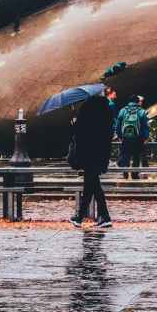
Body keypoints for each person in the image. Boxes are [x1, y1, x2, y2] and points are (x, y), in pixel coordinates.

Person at [70, 92, 115, 228]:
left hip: (88, 153)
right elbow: (109, 133)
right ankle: (81, 216)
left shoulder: (86, 108)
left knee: (92, 185)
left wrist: (74, 124)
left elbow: (81, 133)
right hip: (101, 153)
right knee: (90, 185)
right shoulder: (107, 110)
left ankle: (102, 217)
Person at [115, 95, 150, 179]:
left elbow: (118, 125)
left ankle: (125, 171)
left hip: (126, 137)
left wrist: (119, 135)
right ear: (138, 102)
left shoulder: (123, 110)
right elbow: (145, 126)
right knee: (136, 156)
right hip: (138, 137)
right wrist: (146, 137)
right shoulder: (141, 111)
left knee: (125, 155)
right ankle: (134, 174)